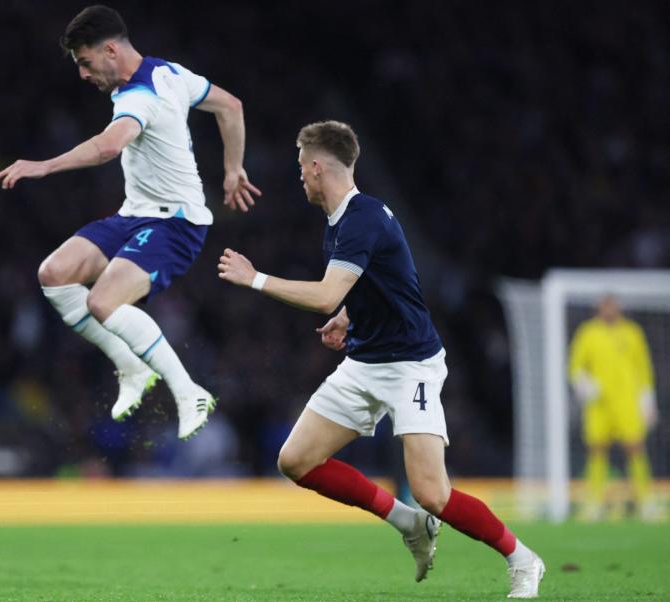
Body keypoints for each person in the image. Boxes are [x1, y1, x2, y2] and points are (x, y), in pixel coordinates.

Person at [217, 121, 544, 598]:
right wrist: (350, 316)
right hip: (366, 360)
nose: (299, 177)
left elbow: (327, 293)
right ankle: (408, 522)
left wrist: (255, 279)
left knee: (433, 491)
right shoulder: (348, 220)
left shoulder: (362, 218)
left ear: (315, 166)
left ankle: (523, 559)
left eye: (300, 168)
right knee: (297, 460)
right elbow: (389, 279)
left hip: (411, 365)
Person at [0, 5, 261, 440]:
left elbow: (107, 147)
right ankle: (131, 366)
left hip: (176, 225)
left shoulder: (142, 96)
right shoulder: (170, 73)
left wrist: (41, 167)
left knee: (103, 303)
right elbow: (230, 106)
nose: (83, 75)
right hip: (134, 214)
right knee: (54, 274)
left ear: (111, 50)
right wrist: (233, 169)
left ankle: (188, 390)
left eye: (85, 62)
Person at [569, 295, 661, 521]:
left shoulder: (632, 332)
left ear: (618, 308)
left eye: (612, 306)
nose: (609, 310)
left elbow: (643, 366)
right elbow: (575, 365)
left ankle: (646, 501)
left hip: (627, 400)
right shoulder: (588, 332)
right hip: (598, 403)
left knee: (635, 447)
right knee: (597, 449)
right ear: (598, 308)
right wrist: (584, 385)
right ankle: (594, 503)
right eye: (605, 306)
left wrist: (647, 398)